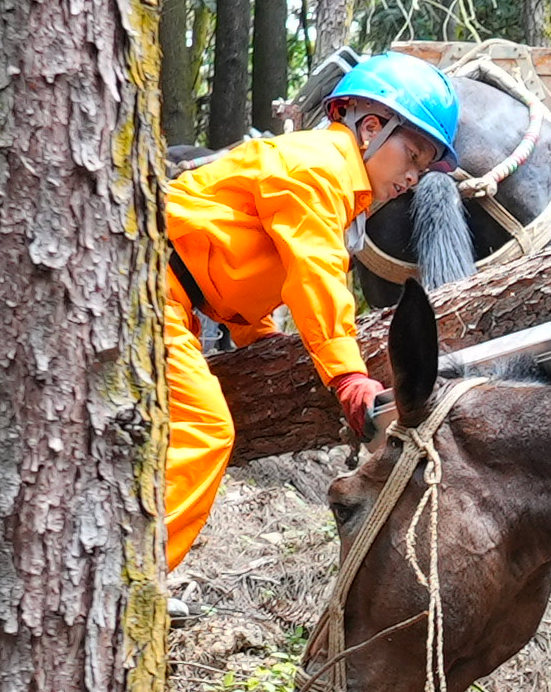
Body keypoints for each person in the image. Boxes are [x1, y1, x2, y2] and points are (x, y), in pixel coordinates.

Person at [159, 54, 457, 567]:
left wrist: (258, 336)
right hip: (152, 288)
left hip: (172, 292)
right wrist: (347, 377)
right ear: (370, 129)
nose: (414, 177)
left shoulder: (331, 176)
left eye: (423, 166)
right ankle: (134, 583)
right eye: (411, 156)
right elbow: (315, 271)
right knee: (206, 430)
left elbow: (251, 259)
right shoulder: (321, 167)